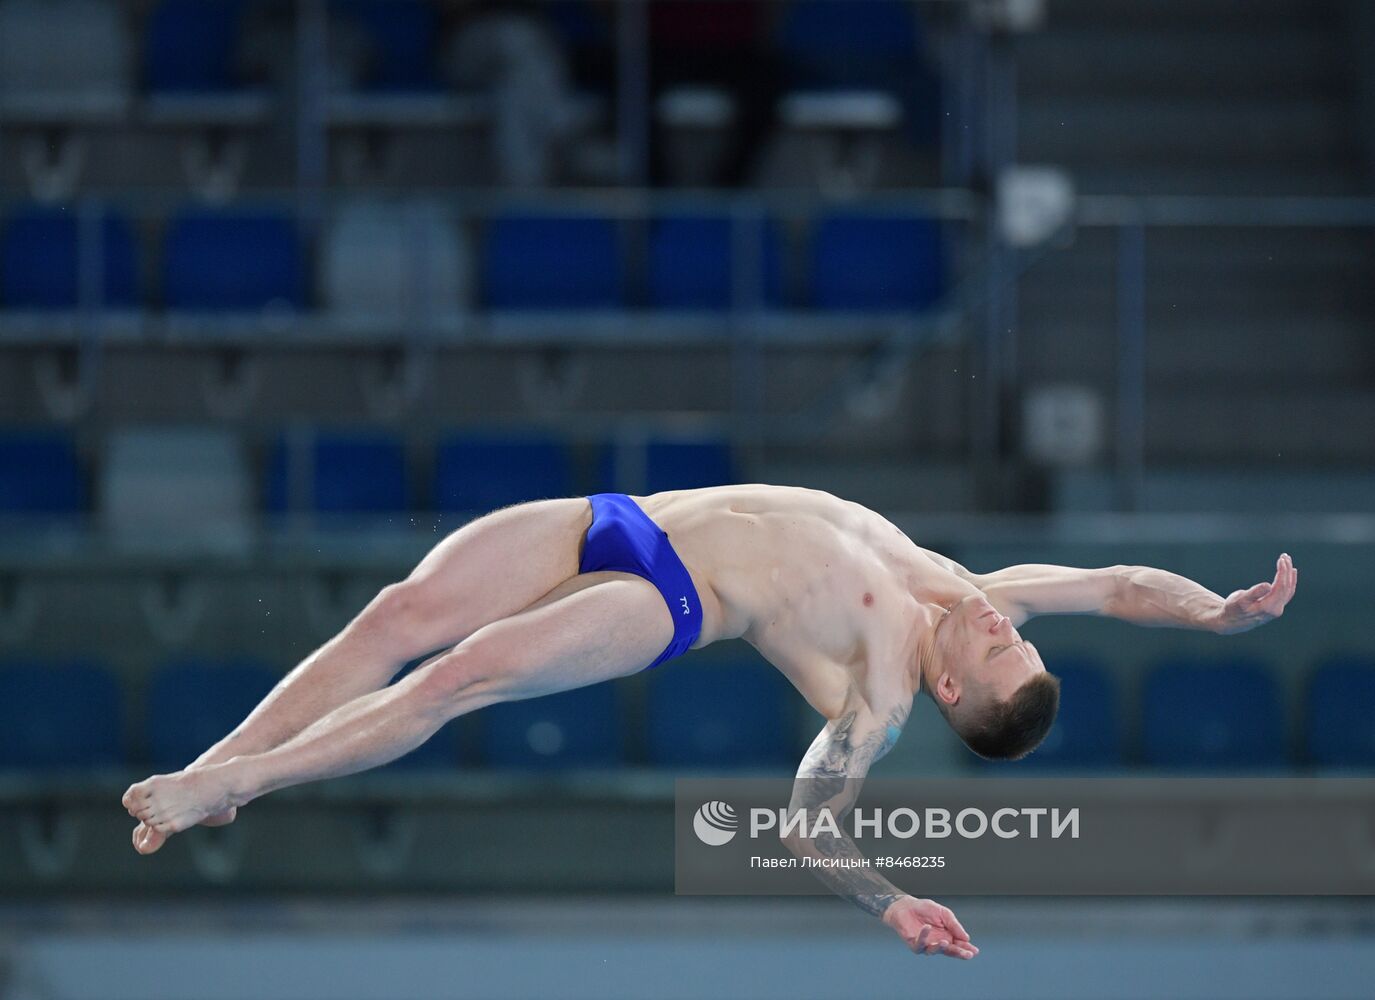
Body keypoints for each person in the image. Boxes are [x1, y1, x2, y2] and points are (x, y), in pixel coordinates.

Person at [123, 485, 1297, 958]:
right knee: (398, 613)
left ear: (951, 696)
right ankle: (215, 773)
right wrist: (1216, 617)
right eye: (1015, 631)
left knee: (457, 675)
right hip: (623, 516)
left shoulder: (877, 700)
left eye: (998, 648)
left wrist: (889, 901)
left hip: (666, 599)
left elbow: (806, 820)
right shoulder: (960, 587)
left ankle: (250, 785)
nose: (1003, 620)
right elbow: (1119, 582)